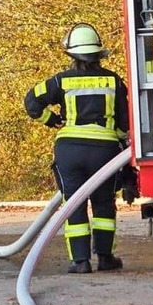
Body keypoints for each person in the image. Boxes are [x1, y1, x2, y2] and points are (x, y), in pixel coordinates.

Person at [24, 23, 128, 274]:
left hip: (69, 150)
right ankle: (105, 257)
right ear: (98, 54)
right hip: (105, 152)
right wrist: (122, 142)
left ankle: (80, 261)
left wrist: (50, 120)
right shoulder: (114, 80)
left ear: (71, 54)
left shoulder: (60, 80)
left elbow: (31, 102)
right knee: (104, 204)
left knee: (74, 204)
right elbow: (125, 121)